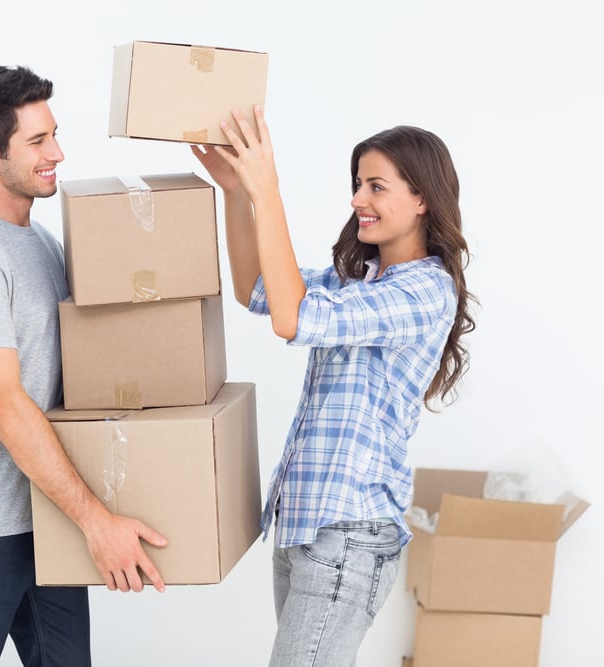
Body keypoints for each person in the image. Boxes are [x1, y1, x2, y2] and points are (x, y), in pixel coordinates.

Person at [191, 107, 475, 667]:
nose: (356, 200)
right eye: (356, 184)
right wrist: (235, 193)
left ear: (422, 199)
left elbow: (294, 321)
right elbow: (258, 291)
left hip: (349, 530)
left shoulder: (425, 292)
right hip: (305, 523)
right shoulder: (360, 280)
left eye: (376, 186)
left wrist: (267, 189)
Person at [0, 65, 168, 667]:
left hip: (45, 514)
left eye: (54, 134)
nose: (57, 152)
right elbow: (3, 400)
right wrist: (96, 520)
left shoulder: (41, 245)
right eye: (37, 141)